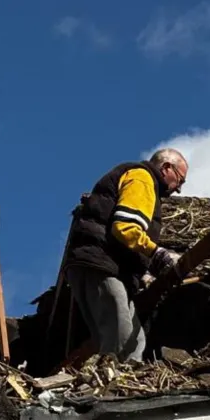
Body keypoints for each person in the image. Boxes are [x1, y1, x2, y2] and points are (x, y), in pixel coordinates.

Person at [61, 148, 189, 362]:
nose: (179, 189)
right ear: (166, 167)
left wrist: (144, 270)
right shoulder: (143, 178)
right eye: (180, 179)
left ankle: (121, 380)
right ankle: (112, 387)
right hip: (101, 265)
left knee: (134, 342)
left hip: (97, 265)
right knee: (119, 339)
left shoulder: (137, 178)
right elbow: (126, 228)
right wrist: (156, 253)